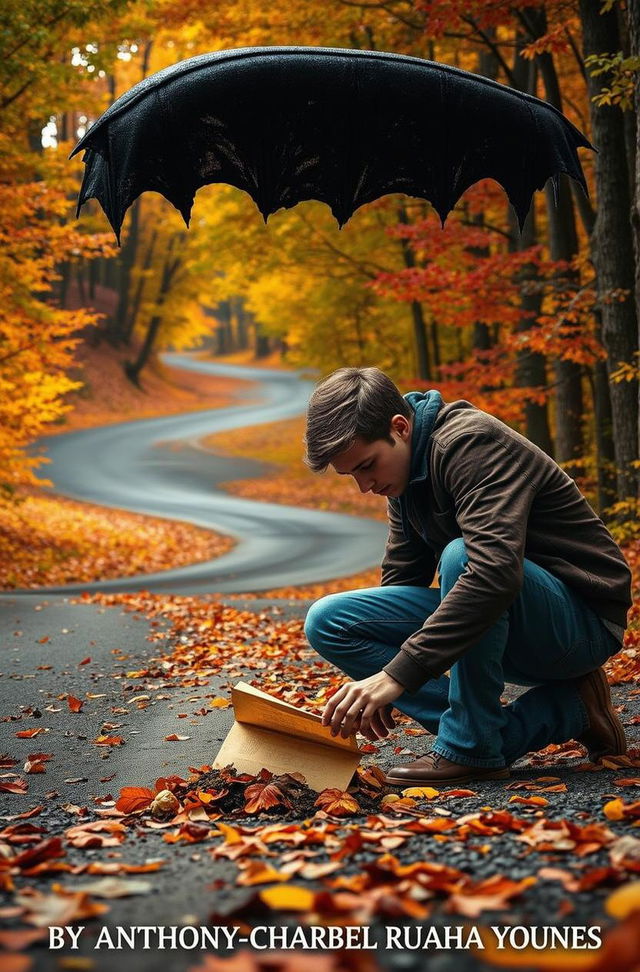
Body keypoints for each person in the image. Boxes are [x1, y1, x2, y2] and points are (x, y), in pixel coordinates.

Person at [302, 367, 632, 784]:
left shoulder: (470, 443)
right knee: (330, 620)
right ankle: (564, 712)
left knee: (464, 557)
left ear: (400, 428)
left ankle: (472, 746)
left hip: (579, 624)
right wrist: (387, 673)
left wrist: (396, 675)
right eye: (352, 475)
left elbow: (493, 572)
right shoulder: (405, 474)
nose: (365, 486)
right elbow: (403, 581)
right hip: (505, 618)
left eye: (367, 466)